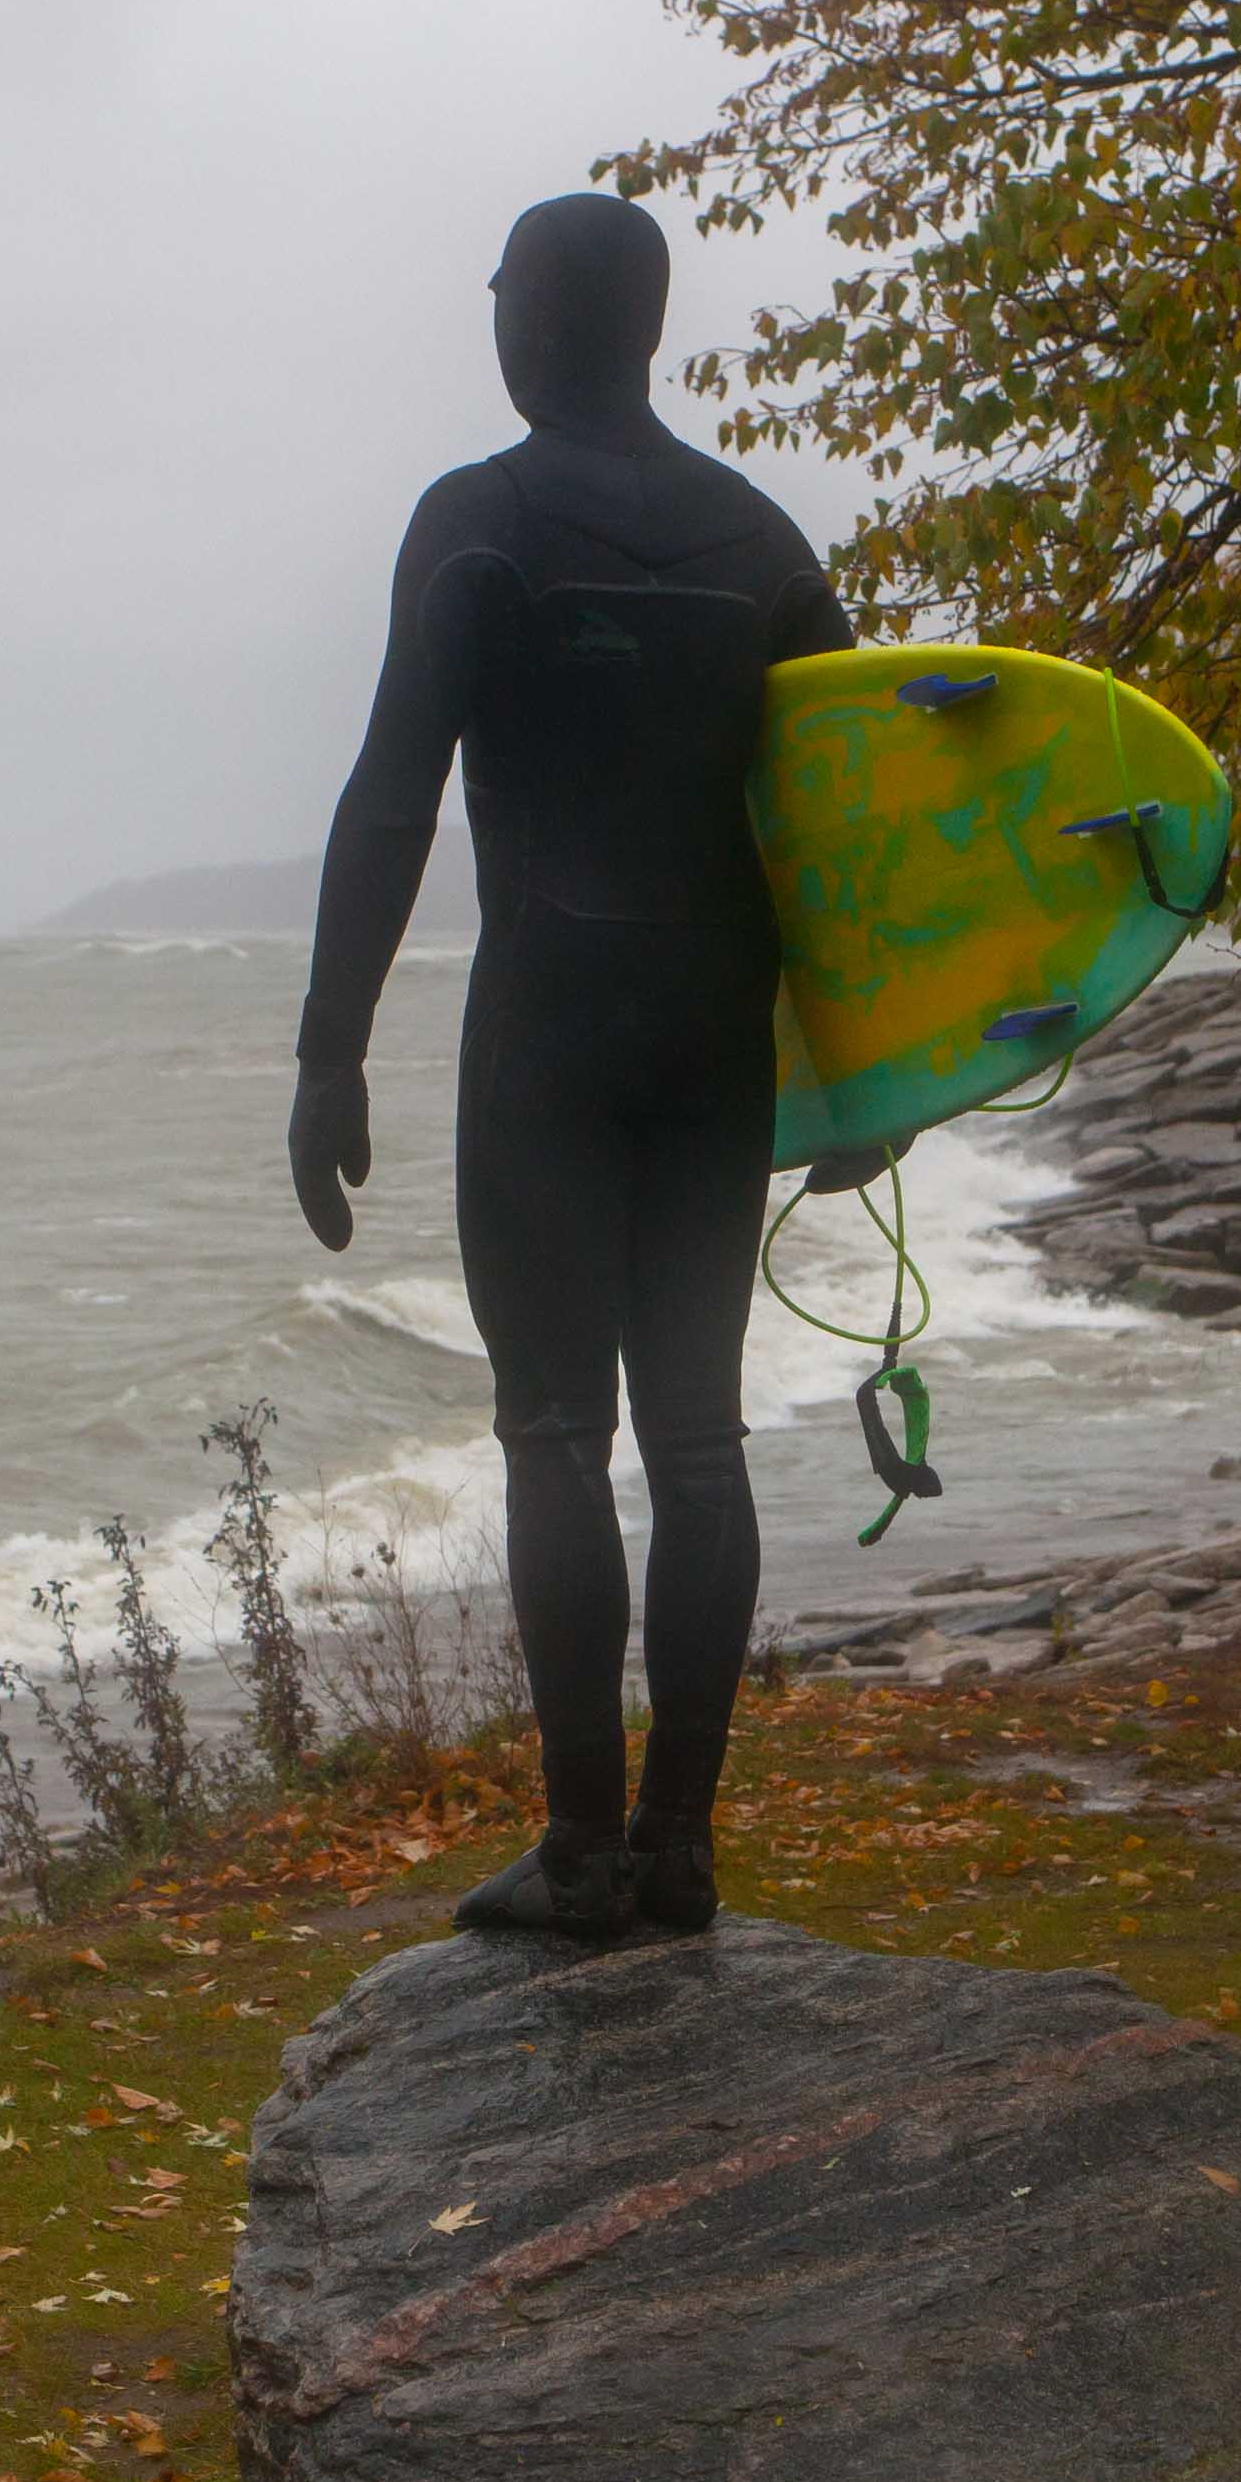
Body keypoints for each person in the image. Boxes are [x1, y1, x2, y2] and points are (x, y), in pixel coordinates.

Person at [292, 192, 848, 1942]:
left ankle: (587, 1849)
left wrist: (328, 1051)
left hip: (547, 1034)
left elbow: (393, 795)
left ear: (542, 317)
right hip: (714, 1040)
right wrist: (870, 1072)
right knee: (696, 1439)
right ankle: (681, 1846)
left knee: (552, 1435)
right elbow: (851, 835)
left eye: (504, 296)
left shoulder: (483, 523)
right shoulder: (760, 539)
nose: (496, 322)